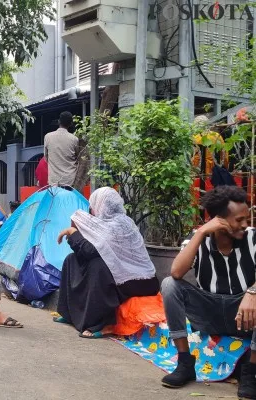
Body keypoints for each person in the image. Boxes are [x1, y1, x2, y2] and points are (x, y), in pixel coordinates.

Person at [160, 186, 256, 398]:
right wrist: (202, 232)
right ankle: (185, 363)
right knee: (169, 284)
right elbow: (176, 272)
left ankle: (250, 372)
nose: (245, 225)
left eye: (247, 219)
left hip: (244, 316)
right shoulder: (197, 238)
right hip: (208, 312)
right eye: (239, 220)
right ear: (219, 220)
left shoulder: (253, 238)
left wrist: (252, 292)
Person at [56, 187, 159, 338]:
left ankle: (103, 324)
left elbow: (90, 251)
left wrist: (72, 233)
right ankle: (69, 313)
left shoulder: (119, 225)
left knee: (98, 267)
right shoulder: (105, 224)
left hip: (141, 282)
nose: (91, 210)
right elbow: (89, 251)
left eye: (93, 206)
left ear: (101, 206)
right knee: (72, 260)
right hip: (126, 277)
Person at [44, 111, 80, 187]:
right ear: (70, 124)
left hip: (54, 181)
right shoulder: (74, 139)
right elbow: (78, 158)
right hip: (70, 181)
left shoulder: (48, 137)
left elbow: (46, 158)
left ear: (58, 121)